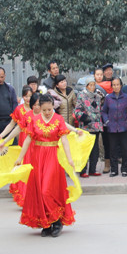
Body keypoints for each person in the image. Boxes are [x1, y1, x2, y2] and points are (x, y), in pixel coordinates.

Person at [12, 94, 79, 237]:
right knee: (39, 191)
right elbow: (28, 139)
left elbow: (64, 140)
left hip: (53, 157)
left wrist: (69, 159)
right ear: (39, 108)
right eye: (44, 110)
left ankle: (57, 221)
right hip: (38, 157)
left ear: (53, 107)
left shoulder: (59, 119)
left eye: (49, 109)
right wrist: (20, 158)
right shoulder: (35, 120)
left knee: (46, 190)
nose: (47, 112)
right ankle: (46, 223)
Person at [102, 77, 127, 177]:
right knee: (113, 149)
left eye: (117, 85)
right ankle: (114, 170)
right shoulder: (108, 98)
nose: (116, 87)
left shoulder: (126, 97)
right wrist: (107, 121)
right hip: (112, 128)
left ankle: (124, 169)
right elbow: (103, 111)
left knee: (125, 149)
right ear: (112, 86)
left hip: (124, 127)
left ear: (121, 85)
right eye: (114, 85)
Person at [74, 77, 103, 178]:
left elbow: (100, 109)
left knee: (95, 149)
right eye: (90, 85)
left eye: (94, 85)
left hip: (96, 126)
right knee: (85, 149)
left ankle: (92, 169)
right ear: (86, 86)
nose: (92, 87)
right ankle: (83, 170)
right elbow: (77, 111)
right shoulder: (81, 95)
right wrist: (85, 118)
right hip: (86, 126)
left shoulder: (98, 96)